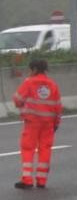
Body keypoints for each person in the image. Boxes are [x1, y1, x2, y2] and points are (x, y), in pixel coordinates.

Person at [13, 60, 62, 189]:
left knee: (28, 149)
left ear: (34, 69)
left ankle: (27, 180)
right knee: (45, 149)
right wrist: (56, 123)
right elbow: (58, 106)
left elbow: (17, 100)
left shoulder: (29, 82)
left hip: (32, 122)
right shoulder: (52, 84)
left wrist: (22, 106)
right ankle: (42, 180)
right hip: (48, 124)